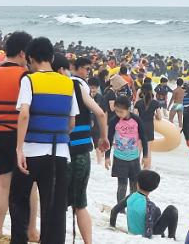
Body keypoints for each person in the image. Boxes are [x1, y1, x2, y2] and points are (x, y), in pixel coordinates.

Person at [10, 37, 79, 244]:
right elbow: (71, 123)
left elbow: (24, 114)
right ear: (51, 57)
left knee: (19, 200)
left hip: (31, 151)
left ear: (30, 58)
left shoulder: (29, 80)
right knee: (55, 208)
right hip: (58, 153)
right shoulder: (68, 83)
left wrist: (19, 149)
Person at [0, 31, 39, 240]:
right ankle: (31, 230)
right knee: (30, 186)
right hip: (20, 137)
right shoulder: (25, 77)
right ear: (23, 53)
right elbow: (29, 111)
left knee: (2, 185)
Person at [68, 56, 110, 244]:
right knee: (80, 203)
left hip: (62, 147)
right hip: (81, 148)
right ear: (73, 67)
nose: (87, 73)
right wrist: (104, 137)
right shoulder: (80, 85)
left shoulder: (62, 84)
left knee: (59, 202)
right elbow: (100, 112)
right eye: (85, 69)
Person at [105, 96, 149, 204]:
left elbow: (144, 137)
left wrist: (145, 156)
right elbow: (109, 139)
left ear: (128, 109)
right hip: (119, 157)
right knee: (122, 185)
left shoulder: (136, 120)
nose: (118, 114)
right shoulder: (114, 121)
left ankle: (132, 206)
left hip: (134, 158)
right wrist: (107, 157)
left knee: (134, 185)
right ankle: (120, 208)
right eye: (116, 111)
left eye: (121, 111)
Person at [109, 170, 178, 239]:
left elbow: (114, 211)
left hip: (132, 233)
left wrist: (112, 226)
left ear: (137, 184)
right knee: (171, 209)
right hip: (147, 236)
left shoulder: (130, 197)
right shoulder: (151, 206)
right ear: (154, 188)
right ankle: (171, 238)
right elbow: (149, 229)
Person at [133, 83, 162, 167]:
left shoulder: (138, 103)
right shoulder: (155, 103)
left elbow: (135, 116)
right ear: (151, 91)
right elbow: (159, 117)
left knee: (138, 150)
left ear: (142, 91)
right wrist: (154, 114)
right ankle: (146, 169)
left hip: (140, 128)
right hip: (149, 128)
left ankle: (136, 169)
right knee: (148, 151)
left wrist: (137, 97)